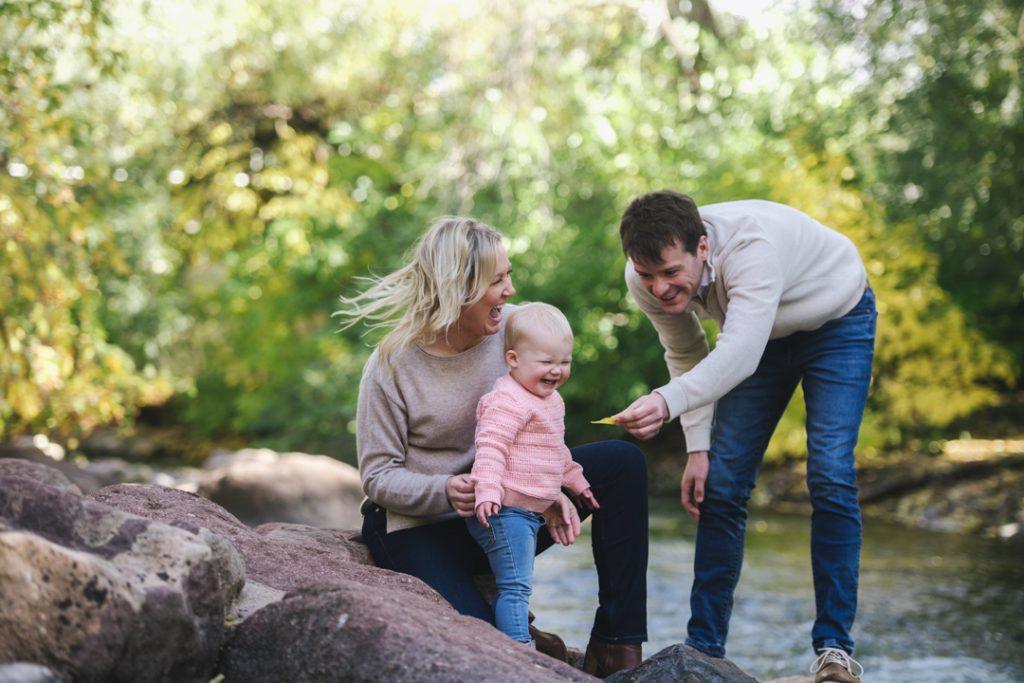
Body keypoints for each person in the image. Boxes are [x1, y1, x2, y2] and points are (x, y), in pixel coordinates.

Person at [338, 216, 648, 676]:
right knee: (488, 652)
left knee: (622, 462)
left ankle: (616, 645)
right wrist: (446, 489)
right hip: (423, 528)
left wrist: (552, 488)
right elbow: (378, 476)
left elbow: (544, 414)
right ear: (458, 287)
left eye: (508, 275)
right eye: (498, 279)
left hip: (507, 510)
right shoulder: (390, 366)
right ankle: (523, 632)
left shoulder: (514, 328)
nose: (510, 289)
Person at [612, 191, 874, 683]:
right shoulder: (643, 278)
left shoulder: (750, 248)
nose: (660, 287)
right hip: (758, 339)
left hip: (838, 320)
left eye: (671, 272)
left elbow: (737, 356)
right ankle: (705, 650)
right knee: (723, 486)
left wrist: (666, 403)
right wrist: (697, 448)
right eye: (647, 275)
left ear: (702, 247)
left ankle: (834, 652)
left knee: (830, 473)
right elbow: (687, 353)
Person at [467, 302, 600, 646]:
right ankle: (520, 651)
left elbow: (556, 450)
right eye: (546, 362)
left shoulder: (551, 400)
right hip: (504, 512)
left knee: (516, 583)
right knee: (515, 586)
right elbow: (490, 448)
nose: (557, 371)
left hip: (528, 513)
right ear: (513, 359)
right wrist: (487, 491)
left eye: (565, 362)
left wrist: (576, 482)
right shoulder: (507, 401)